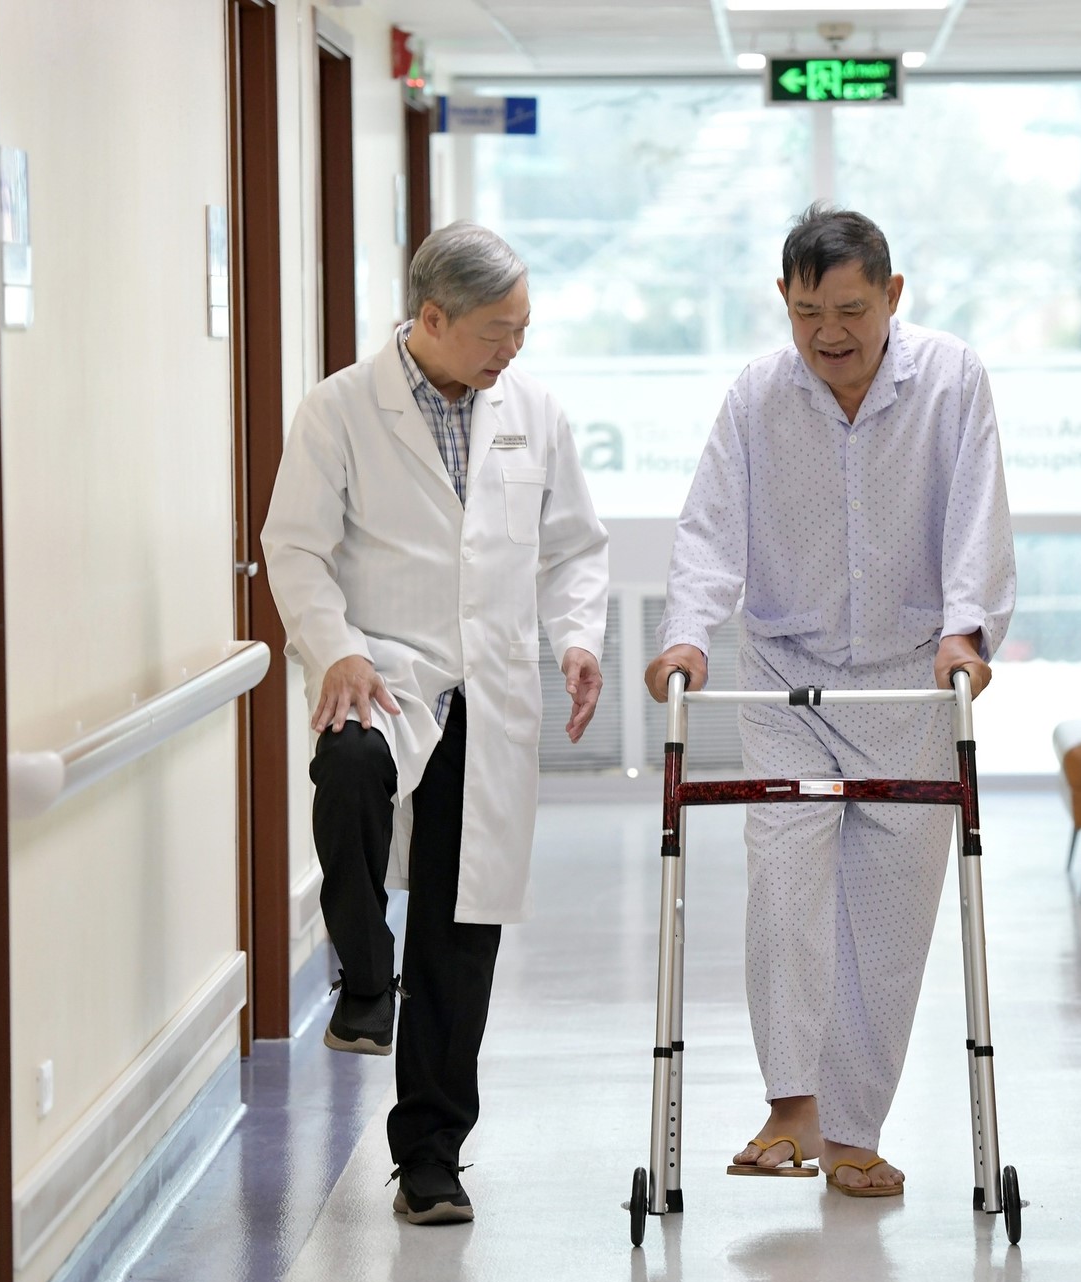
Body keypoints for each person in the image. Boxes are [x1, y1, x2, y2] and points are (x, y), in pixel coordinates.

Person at [645, 204, 1015, 1198]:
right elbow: (708, 527)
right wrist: (686, 630)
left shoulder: (949, 380)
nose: (828, 334)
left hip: (909, 680)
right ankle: (790, 1101)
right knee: (783, 879)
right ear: (783, 302)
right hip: (785, 674)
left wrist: (964, 629)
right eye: (807, 311)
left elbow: (976, 511)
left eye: (850, 308)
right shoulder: (757, 397)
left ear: (892, 296)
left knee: (888, 926)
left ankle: (853, 1131)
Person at [262, 222, 608, 1225]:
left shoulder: (531, 410)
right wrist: (335, 647)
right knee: (350, 767)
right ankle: (366, 970)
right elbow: (294, 546)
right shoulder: (338, 408)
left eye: (524, 326)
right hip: (385, 666)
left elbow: (574, 545)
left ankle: (428, 1155)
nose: (514, 348)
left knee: (461, 932)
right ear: (430, 318)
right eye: (499, 329)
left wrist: (577, 635)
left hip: (490, 683)